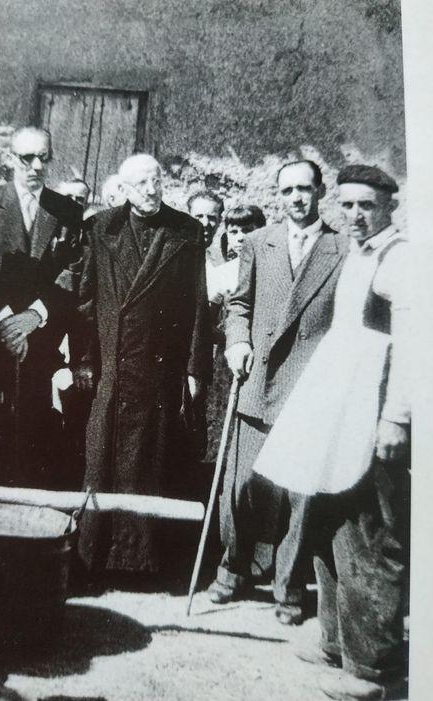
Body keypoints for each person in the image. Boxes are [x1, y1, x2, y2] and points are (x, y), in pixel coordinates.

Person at [252, 165, 410, 700]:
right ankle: (336, 641)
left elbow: (414, 350)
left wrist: (396, 418)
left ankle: (373, 670)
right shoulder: (356, 254)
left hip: (373, 414)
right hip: (336, 411)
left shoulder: (401, 260)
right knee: (327, 523)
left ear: (390, 206)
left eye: (367, 205)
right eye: (347, 205)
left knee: (370, 535)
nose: (356, 215)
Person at [207, 160, 349, 626]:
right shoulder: (257, 242)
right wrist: (237, 341)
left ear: (320, 191)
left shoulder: (341, 248)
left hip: (310, 388)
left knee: (299, 497)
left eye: (304, 189)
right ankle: (233, 568)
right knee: (241, 487)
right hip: (258, 380)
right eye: (287, 191)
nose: (296, 198)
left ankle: (289, 588)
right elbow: (239, 304)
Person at [71, 153, 212, 579]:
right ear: (124, 188)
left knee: (150, 461)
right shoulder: (102, 228)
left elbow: (198, 306)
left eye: (157, 181)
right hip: (113, 370)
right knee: (103, 460)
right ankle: (96, 557)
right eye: (142, 184)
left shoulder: (185, 231)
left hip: (160, 373)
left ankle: (142, 563)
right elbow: (86, 300)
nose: (152, 190)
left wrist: (195, 368)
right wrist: (84, 360)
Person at [0, 126, 81, 487]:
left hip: (40, 342)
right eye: (27, 158)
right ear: (10, 158)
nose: (36, 166)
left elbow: (73, 271)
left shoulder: (67, 210)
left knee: (31, 442)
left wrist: (34, 315)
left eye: (43, 157)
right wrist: (6, 321)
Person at [205, 205, 267, 463]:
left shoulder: (271, 269)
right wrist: (232, 339)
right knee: (225, 417)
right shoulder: (224, 273)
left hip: (264, 354)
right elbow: (206, 323)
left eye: (248, 230)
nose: (241, 237)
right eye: (234, 232)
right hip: (228, 359)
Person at [187, 190, 225, 259]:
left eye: (211, 218)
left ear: (219, 221)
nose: (205, 223)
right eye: (199, 216)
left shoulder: (219, 259)